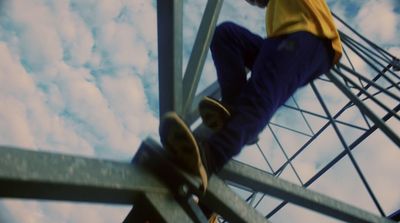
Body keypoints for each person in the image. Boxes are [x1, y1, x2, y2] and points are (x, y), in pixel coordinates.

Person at [160, 0, 342, 195]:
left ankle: (211, 157)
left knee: (262, 93)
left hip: (311, 36)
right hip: (280, 40)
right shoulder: (278, 9)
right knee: (227, 36)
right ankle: (232, 108)